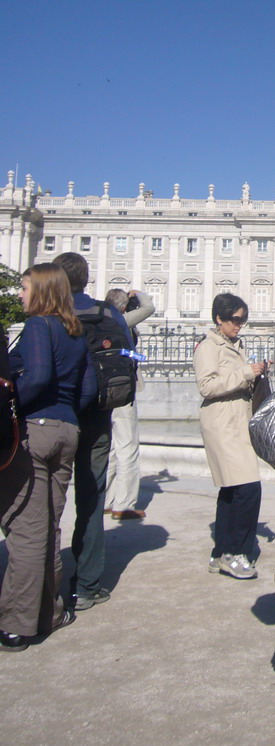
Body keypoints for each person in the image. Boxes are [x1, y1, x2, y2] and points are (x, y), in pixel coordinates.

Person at [0, 264, 96, 650]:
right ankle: (48, 612)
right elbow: (88, 389)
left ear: (40, 291)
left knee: (25, 530)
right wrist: (65, 413)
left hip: (35, 431)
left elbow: (37, 376)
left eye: (24, 288)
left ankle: (16, 623)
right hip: (67, 431)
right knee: (49, 526)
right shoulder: (76, 330)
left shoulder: (40, 326)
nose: (20, 295)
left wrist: (10, 409)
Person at [52, 252, 131, 611]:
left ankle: (42, 584)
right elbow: (127, 351)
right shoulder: (109, 313)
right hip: (98, 415)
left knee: (44, 503)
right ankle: (87, 584)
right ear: (86, 278)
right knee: (92, 498)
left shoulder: (48, 314)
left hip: (53, 415)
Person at [193, 293, 267, 579]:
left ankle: (219, 552)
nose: (240, 325)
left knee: (230, 490)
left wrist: (256, 374)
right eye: (235, 319)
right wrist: (246, 373)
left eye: (243, 320)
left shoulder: (233, 344)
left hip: (237, 421)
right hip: (222, 423)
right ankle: (236, 553)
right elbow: (207, 386)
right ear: (218, 319)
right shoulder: (207, 346)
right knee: (249, 488)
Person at [104, 288, 155, 520]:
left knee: (113, 447)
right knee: (128, 447)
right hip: (122, 390)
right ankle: (123, 504)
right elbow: (148, 308)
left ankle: (106, 499)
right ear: (124, 307)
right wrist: (140, 293)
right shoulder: (120, 319)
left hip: (105, 389)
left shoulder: (102, 320)